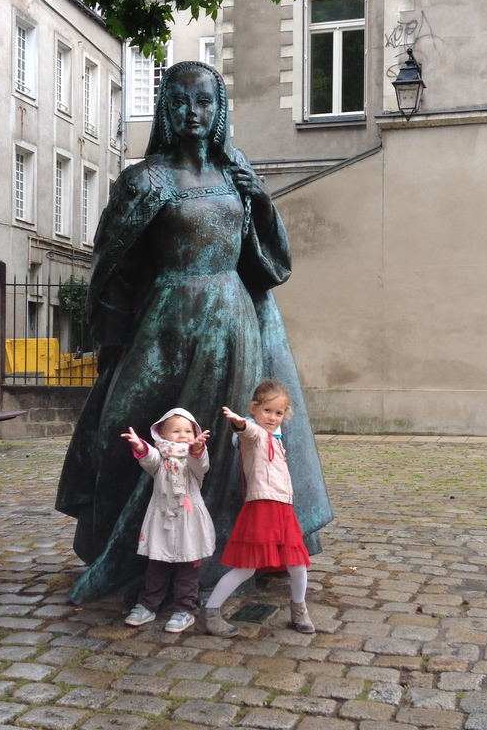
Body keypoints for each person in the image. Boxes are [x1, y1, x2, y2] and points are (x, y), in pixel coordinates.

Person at [55, 61, 333, 605]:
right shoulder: (145, 178)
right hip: (163, 320)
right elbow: (111, 260)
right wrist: (112, 335)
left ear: (219, 108)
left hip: (231, 320)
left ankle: (228, 554)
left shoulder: (236, 174)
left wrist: (261, 200)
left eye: (204, 101)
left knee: (229, 448)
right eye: (180, 101)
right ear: (166, 108)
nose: (192, 112)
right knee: (122, 427)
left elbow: (273, 264)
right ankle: (123, 548)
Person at [199, 379, 314, 637]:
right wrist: (239, 422)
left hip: (283, 509)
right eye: (267, 411)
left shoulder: (277, 439)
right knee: (246, 567)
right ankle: (211, 612)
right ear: (254, 409)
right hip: (261, 508)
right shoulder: (254, 435)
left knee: (297, 564)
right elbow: (246, 431)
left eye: (278, 413)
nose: (272, 417)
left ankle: (299, 609)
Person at [121, 408, 214, 632]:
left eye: (187, 431)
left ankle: (185, 609)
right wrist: (139, 445)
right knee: (157, 565)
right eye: (176, 431)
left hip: (188, 521)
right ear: (162, 434)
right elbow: (149, 457)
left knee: (188, 568)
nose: (182, 435)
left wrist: (199, 449)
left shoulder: (193, 459)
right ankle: (148, 605)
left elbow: (201, 465)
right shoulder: (160, 459)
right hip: (162, 518)